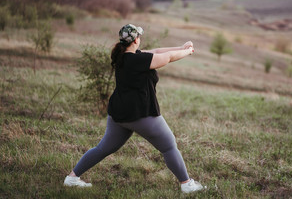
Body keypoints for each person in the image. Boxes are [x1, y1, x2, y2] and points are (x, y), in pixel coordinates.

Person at [64, 24, 204, 193]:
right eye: (139, 36)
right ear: (136, 39)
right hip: (140, 115)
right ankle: (187, 184)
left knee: (104, 148)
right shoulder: (137, 60)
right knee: (168, 146)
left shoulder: (126, 56)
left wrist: (181, 47)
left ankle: (71, 178)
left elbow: (158, 51)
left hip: (118, 114)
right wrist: (188, 52)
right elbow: (167, 58)